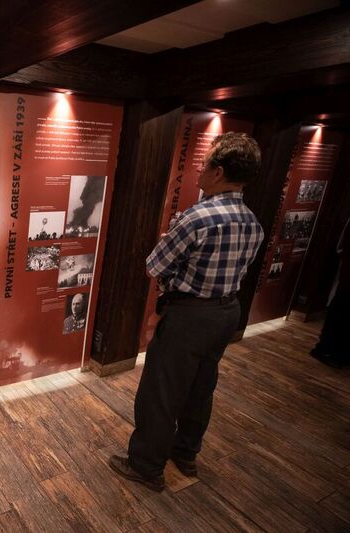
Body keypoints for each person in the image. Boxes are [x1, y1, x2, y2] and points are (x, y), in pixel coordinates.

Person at [109, 132, 265, 492]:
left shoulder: (197, 217)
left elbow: (154, 265)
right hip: (226, 312)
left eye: (205, 162)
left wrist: (168, 246)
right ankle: (185, 453)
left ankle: (146, 465)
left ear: (218, 171)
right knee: (201, 385)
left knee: (162, 390)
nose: (199, 168)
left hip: (189, 316)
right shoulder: (251, 221)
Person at [310, 217, 350, 368]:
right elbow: (342, 249)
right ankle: (325, 349)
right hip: (347, 283)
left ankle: (336, 351)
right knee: (340, 312)